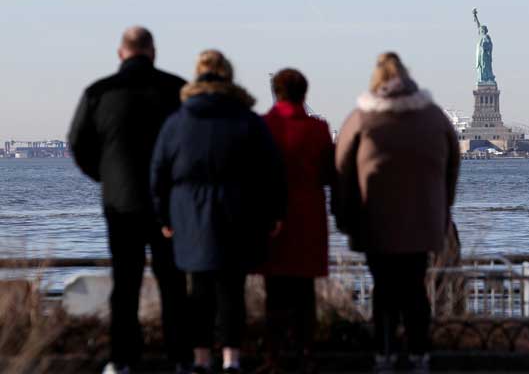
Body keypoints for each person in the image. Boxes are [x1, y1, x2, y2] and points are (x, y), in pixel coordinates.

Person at [150, 50, 287, 374]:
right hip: (238, 212)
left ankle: (199, 358)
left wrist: (163, 217)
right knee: (231, 290)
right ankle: (231, 359)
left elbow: (158, 173)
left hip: (189, 214)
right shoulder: (247, 119)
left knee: (198, 290)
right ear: (228, 76)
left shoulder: (177, 122)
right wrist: (274, 213)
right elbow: (271, 171)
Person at [68, 26, 192, 374]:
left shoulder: (98, 92)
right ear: (153, 52)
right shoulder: (177, 90)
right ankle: (181, 358)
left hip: (120, 202)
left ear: (120, 53)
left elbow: (78, 143)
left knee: (125, 283)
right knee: (173, 283)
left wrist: (104, 175)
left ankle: (122, 358)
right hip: (168, 202)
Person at [334, 52, 460, 370]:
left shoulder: (361, 118)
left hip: (375, 220)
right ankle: (419, 353)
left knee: (384, 289)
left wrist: (344, 214)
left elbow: (340, 169)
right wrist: (442, 205)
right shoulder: (433, 116)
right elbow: (452, 165)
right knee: (415, 288)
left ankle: (384, 352)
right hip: (422, 220)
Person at [258, 69, 335, 373]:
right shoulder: (318, 129)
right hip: (308, 220)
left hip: (271, 221)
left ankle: (274, 355)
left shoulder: (263, 127)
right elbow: (329, 174)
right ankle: (305, 352)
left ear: (276, 93)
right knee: (305, 294)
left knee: (274, 294)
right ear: (305, 94)